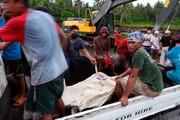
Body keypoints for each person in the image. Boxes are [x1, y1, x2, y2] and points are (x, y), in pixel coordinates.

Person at [0, 0, 68, 120]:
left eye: (6, 2)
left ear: (20, 3)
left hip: (44, 76)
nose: (4, 7)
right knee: (58, 97)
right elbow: (63, 37)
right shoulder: (44, 16)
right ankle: (63, 116)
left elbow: (4, 40)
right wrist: (56, 58)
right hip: (60, 69)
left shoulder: (18, 22)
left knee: (45, 112)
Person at [115, 31, 164, 106]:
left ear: (140, 43)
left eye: (133, 43)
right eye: (128, 43)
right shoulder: (141, 51)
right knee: (125, 79)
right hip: (157, 86)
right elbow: (132, 68)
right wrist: (121, 75)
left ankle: (122, 101)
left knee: (119, 82)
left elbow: (133, 76)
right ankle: (131, 95)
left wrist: (125, 96)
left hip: (152, 89)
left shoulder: (138, 53)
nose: (130, 45)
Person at [0, 6, 27, 107]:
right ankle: (21, 91)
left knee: (20, 76)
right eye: (5, 11)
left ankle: (23, 95)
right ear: (1, 12)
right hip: (6, 56)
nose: (7, 13)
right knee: (10, 77)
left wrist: (6, 43)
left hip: (16, 54)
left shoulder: (14, 22)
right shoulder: (0, 22)